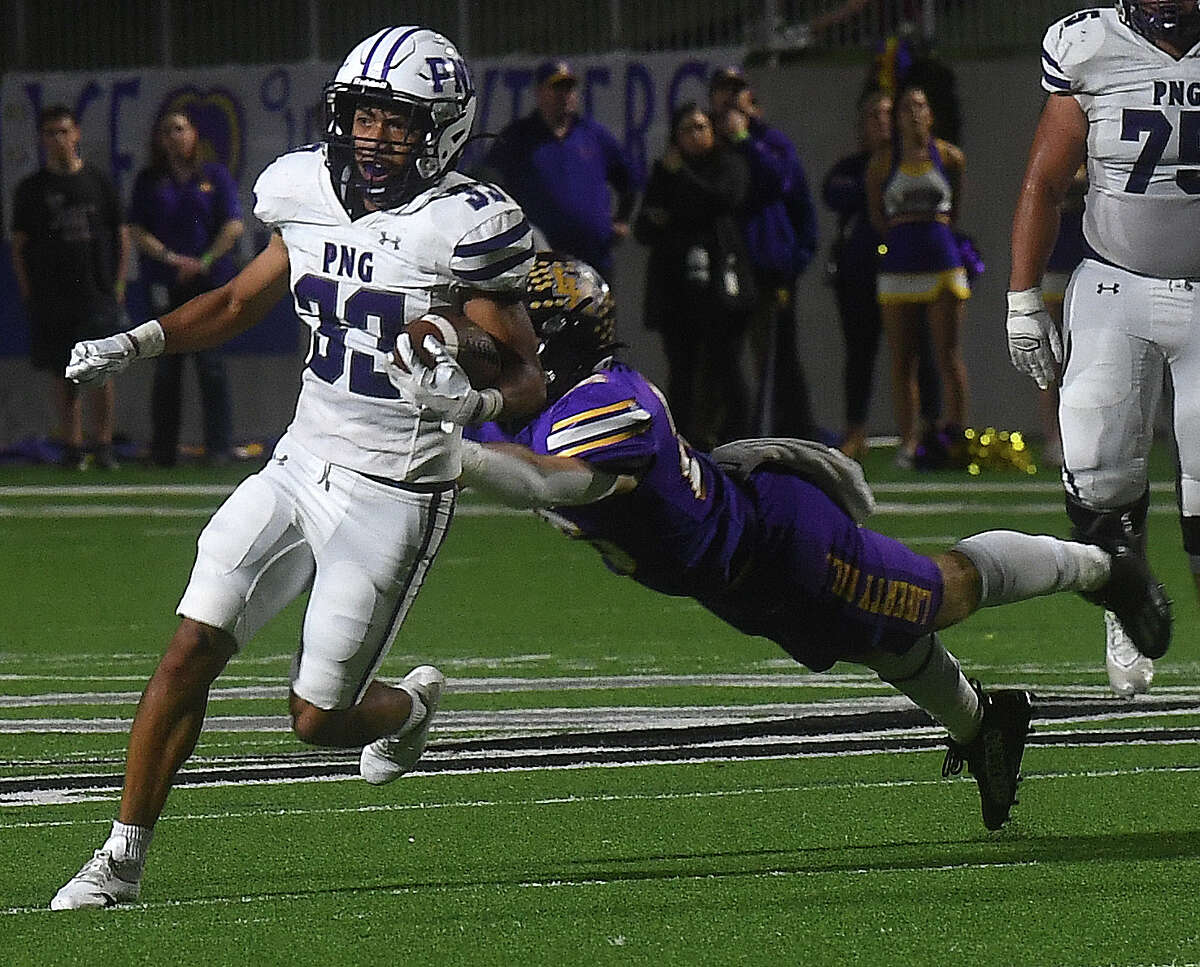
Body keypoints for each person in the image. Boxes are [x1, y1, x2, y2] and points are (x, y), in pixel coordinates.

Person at [49, 25, 546, 911]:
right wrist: (137, 341)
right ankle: (119, 860)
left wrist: (471, 398)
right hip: (299, 458)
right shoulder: (304, 188)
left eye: (399, 123)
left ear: (444, 129)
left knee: (316, 719)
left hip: (395, 487)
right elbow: (243, 297)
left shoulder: (468, 225)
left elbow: (525, 372)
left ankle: (409, 712)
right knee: (190, 642)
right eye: (363, 117)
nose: (374, 138)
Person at [457, 254, 1171, 832]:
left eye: (503, 339)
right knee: (865, 641)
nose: (487, 356)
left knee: (936, 594)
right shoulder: (523, 408)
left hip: (780, 542)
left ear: (554, 344)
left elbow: (554, 482)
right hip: (729, 581)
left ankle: (1103, 562)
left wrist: (458, 456)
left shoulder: (604, 404)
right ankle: (985, 724)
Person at [1006, 2, 1200, 699]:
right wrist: (1023, 297)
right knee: (1094, 466)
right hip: (1119, 284)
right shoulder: (1090, 44)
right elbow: (1045, 181)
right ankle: (1126, 599)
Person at [822, 89, 941, 462]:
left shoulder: (923, 158)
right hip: (860, 272)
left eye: (889, 114)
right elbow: (833, 194)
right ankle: (856, 429)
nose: (882, 123)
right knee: (860, 352)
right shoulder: (853, 168)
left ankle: (931, 428)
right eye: (873, 116)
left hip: (910, 267)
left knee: (922, 350)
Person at [9, 105, 130, 470]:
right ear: (42, 140)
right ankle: (72, 446)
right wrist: (28, 292)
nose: (58, 140)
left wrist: (118, 284)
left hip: (95, 292)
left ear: (76, 134)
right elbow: (19, 247)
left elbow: (121, 236)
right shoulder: (31, 190)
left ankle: (104, 444)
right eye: (50, 133)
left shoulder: (98, 182)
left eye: (64, 132)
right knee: (62, 372)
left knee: (100, 370)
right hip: (51, 295)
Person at [634, 102, 755, 450]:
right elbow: (647, 225)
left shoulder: (727, 164)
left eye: (702, 127)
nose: (696, 134)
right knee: (681, 372)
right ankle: (682, 443)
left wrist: (682, 186)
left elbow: (722, 199)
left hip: (721, 285)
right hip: (677, 288)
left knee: (726, 366)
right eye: (688, 128)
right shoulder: (664, 171)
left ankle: (740, 440)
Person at [708, 67, 820, 440]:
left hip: (766, 266)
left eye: (736, 91)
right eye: (723, 91)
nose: (730, 99)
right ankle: (728, 432)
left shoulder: (768, 141)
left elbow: (785, 185)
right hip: (721, 266)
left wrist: (797, 256)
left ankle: (789, 432)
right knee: (720, 358)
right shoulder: (706, 142)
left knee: (776, 356)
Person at [130, 110, 244, 467]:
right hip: (166, 282)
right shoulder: (150, 180)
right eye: (167, 131)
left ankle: (219, 448)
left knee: (211, 366)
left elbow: (234, 225)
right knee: (166, 369)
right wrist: (171, 259)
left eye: (180, 129)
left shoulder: (214, 176)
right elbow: (136, 230)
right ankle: (163, 449)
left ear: (194, 134)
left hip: (208, 283)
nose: (174, 137)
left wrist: (205, 261)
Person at [866, 83, 969, 468]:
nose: (914, 113)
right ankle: (908, 442)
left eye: (921, 106)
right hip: (898, 263)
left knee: (948, 353)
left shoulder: (950, 157)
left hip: (941, 257)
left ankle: (955, 435)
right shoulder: (881, 163)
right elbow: (877, 216)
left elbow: (954, 209)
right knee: (901, 358)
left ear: (931, 114)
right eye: (907, 107)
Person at [478, 59, 638, 283]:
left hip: (593, 260)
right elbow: (489, 183)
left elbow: (628, 180)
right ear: (539, 92)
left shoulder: (593, 134)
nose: (564, 94)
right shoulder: (519, 137)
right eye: (556, 87)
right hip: (541, 263)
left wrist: (622, 219)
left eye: (569, 88)